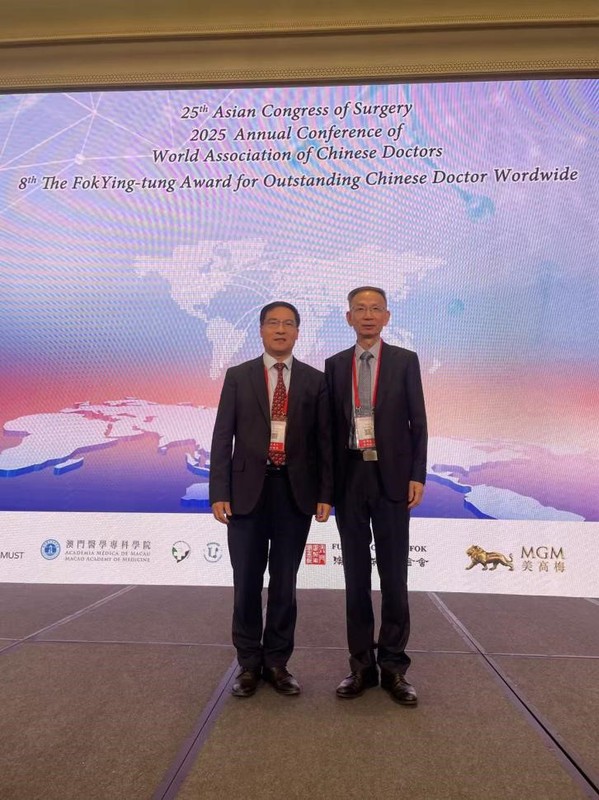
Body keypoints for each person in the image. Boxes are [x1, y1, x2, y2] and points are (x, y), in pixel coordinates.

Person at [210, 301, 333, 698]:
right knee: (246, 581)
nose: (281, 330)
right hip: (246, 494)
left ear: (298, 332)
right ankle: (248, 663)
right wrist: (219, 491)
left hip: (294, 494)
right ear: (261, 330)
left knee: (284, 582)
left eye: (288, 324)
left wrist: (325, 493)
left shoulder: (315, 381)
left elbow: (324, 443)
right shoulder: (238, 376)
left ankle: (278, 662)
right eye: (273, 323)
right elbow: (222, 436)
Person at [325, 286, 427, 705]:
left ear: (387, 316)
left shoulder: (405, 361)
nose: (368, 315)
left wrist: (416, 474)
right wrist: (325, 488)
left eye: (375, 309)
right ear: (348, 317)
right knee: (355, 578)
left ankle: (394, 668)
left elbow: (418, 423)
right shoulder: (334, 365)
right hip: (349, 478)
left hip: (392, 479)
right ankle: (361, 667)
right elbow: (327, 432)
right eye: (360, 309)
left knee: (394, 577)